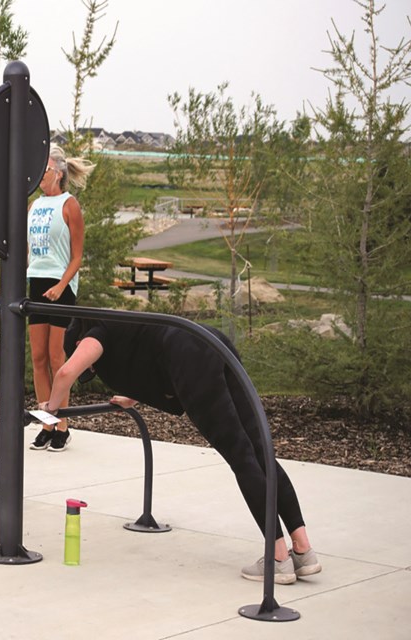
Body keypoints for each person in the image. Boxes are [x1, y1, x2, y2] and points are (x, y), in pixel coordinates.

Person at [39, 318, 322, 585]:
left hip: (191, 356)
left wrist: (52, 408)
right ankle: (302, 549)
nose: (92, 370)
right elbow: (151, 353)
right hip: (209, 339)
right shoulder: (120, 323)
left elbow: (66, 372)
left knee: (241, 456)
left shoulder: (93, 332)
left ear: (76, 343)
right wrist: (133, 396)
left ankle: (278, 557)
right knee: (260, 451)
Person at [27, 144, 93, 453]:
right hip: (36, 281)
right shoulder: (34, 205)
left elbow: (77, 256)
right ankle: (46, 422)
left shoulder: (70, 205)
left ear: (58, 173)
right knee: (38, 358)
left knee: (57, 358)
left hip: (61, 284)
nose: (39, 175)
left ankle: (62, 424)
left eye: (43, 170)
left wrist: (61, 285)